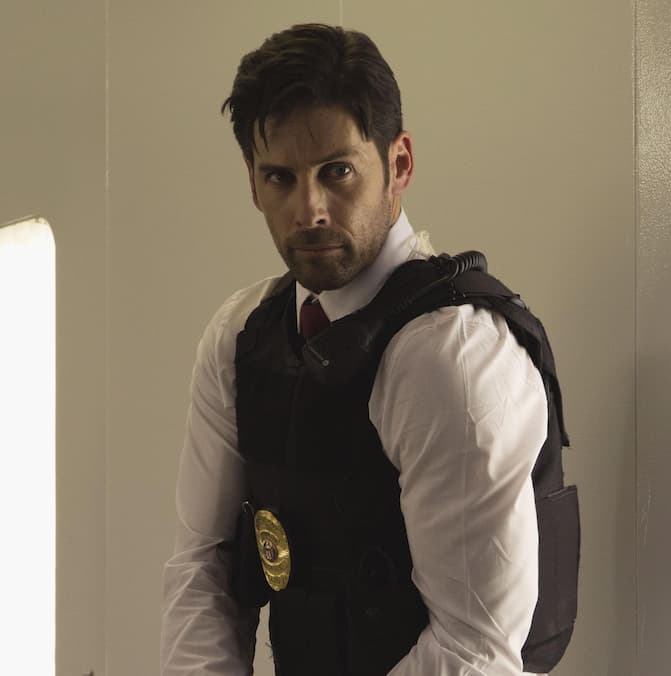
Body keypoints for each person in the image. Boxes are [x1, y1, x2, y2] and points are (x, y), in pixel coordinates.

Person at [160, 24, 578, 675]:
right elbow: (202, 566)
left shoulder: (450, 359)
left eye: (338, 172)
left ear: (399, 164)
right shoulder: (240, 336)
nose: (310, 210)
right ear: (252, 183)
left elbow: (474, 650)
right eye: (280, 178)